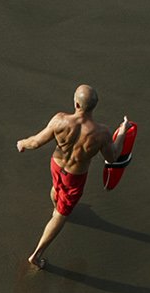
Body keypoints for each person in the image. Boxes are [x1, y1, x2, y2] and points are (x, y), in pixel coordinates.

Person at [15, 83, 113, 268]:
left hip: (56, 165)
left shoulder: (60, 120)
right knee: (61, 216)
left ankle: (56, 205)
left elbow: (36, 142)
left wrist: (22, 143)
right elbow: (112, 158)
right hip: (75, 176)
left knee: (57, 187)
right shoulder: (102, 133)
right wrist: (123, 134)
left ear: (76, 104)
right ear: (95, 106)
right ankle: (36, 255)